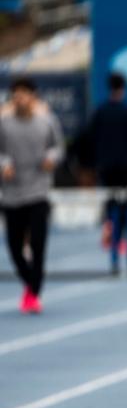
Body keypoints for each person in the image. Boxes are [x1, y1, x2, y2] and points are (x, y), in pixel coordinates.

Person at [0, 76, 64, 313]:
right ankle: (30, 283)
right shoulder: (4, 124)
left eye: (24, 95)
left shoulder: (46, 122)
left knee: (38, 244)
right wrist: (4, 164)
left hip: (38, 192)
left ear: (33, 97)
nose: (20, 99)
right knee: (15, 250)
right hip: (12, 194)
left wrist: (51, 159)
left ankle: (34, 292)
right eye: (16, 95)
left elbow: (58, 148)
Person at [90, 72, 127, 273]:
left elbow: (93, 139)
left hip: (107, 169)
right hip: (125, 170)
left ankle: (114, 259)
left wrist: (97, 164)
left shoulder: (100, 111)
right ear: (123, 88)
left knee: (111, 214)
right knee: (126, 214)